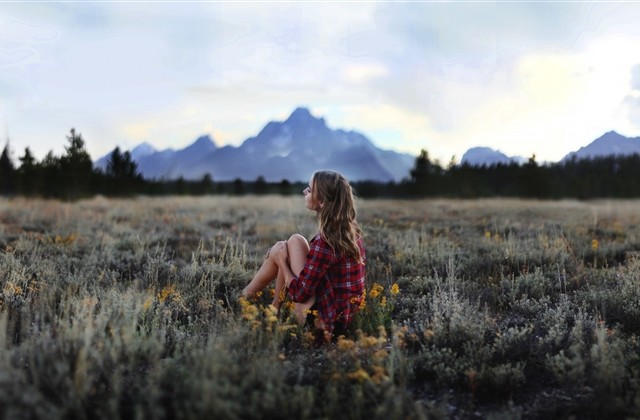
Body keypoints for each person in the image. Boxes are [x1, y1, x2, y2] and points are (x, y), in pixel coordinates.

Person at [241, 170, 366, 341]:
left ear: (321, 201)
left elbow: (300, 293)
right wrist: (283, 256)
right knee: (292, 242)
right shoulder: (349, 232)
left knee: (282, 251)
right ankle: (273, 308)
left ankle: (247, 299)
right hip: (341, 314)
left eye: (309, 189)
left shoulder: (327, 242)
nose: (304, 192)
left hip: (324, 323)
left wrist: (282, 262)